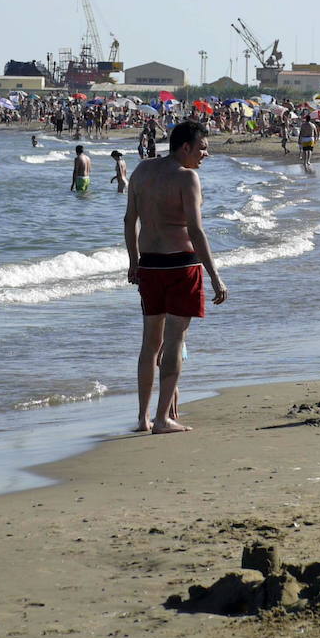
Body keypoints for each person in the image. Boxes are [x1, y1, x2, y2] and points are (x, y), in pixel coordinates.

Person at [124, 121, 227, 434]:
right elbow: (195, 230)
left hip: (150, 266)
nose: (205, 155)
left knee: (149, 343)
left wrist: (133, 262)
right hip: (182, 267)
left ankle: (142, 418)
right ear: (186, 147)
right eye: (202, 148)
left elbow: (130, 220)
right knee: (174, 342)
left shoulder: (141, 171)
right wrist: (215, 276)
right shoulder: (187, 177)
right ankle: (162, 419)